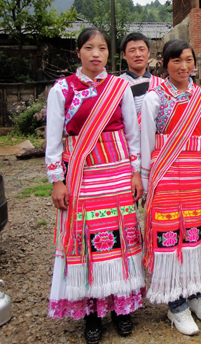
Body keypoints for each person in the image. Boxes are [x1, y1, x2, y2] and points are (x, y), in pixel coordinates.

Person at [45, 27, 145, 344]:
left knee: (120, 241)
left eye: (102, 48)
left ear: (108, 53)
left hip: (117, 173)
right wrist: (57, 180)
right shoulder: (63, 89)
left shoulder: (119, 87)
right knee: (87, 242)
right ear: (78, 52)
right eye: (89, 47)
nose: (96, 54)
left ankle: (121, 309)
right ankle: (92, 314)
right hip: (81, 175)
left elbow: (132, 134)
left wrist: (135, 173)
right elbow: (53, 140)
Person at [140, 39, 201, 336]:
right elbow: (147, 140)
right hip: (166, 173)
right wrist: (145, 179)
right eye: (176, 61)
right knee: (170, 235)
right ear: (165, 64)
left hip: (197, 174)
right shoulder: (154, 97)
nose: (184, 67)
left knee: (196, 234)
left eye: (188, 60)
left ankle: (196, 294)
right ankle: (176, 305)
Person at [119, 32, 163, 124]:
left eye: (142, 49)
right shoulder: (117, 85)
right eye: (132, 50)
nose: (138, 54)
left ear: (148, 52)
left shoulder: (161, 84)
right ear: (124, 54)